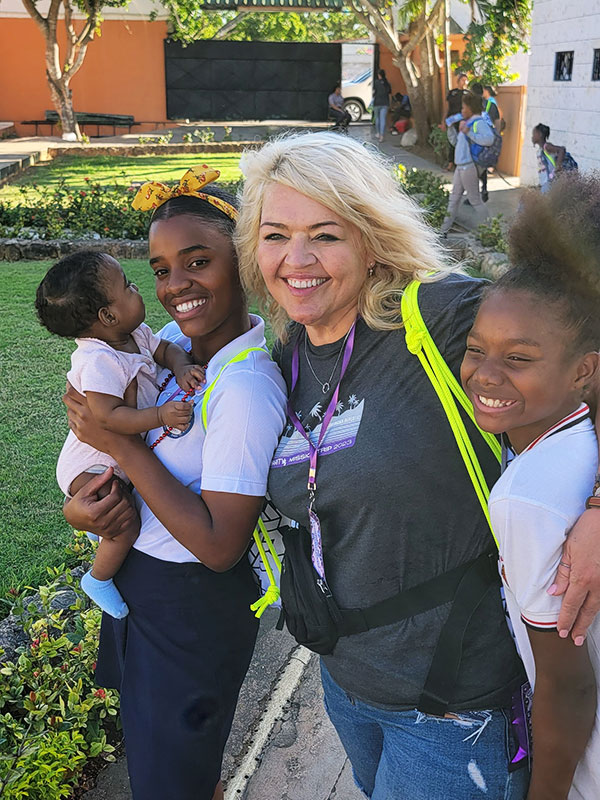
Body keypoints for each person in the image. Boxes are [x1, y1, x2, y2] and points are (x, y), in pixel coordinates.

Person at [234, 131, 600, 799]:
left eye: (326, 234)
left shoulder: (441, 318)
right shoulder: (284, 352)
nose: (297, 259)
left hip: (453, 708)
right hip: (346, 685)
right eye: (275, 234)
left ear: (372, 240)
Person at [61, 166, 288, 800]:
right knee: (172, 768)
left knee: (171, 782)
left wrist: (122, 446)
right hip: (143, 584)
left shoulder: (245, 387)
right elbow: (90, 421)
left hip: (190, 608)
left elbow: (219, 547)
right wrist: (85, 507)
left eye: (197, 261)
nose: (174, 286)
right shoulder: (168, 341)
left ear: (243, 261)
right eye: (160, 269)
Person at [461, 173, 600, 799]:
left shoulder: (528, 496)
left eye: (519, 358)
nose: (486, 374)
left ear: (583, 371)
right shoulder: (579, 441)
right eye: (475, 349)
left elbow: (567, 686)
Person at [35, 251, 202, 619]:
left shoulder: (136, 335)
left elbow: (166, 349)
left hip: (114, 456)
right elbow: (107, 418)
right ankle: (98, 578)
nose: (136, 288)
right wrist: (159, 415)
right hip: (91, 462)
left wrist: (182, 365)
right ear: (107, 317)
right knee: (124, 521)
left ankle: (100, 537)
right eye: (127, 286)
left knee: (119, 507)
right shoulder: (97, 361)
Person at [441, 91, 495, 235]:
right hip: (461, 167)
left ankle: (491, 230)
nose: (462, 111)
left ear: (471, 108)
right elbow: (457, 143)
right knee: (454, 199)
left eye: (464, 108)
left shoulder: (478, 123)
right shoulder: (468, 123)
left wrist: (468, 133)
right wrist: (451, 130)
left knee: (474, 200)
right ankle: (443, 230)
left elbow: (489, 139)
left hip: (468, 167)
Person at [532, 123, 578, 193]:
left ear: (540, 135)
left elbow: (562, 149)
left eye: (534, 134)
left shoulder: (546, 146)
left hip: (550, 184)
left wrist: (558, 167)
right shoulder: (540, 151)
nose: (532, 136)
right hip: (545, 184)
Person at [442, 72, 468, 169]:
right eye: (463, 80)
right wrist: (443, 121)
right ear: (458, 81)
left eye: (466, 80)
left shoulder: (468, 94)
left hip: (463, 122)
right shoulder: (452, 93)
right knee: (452, 142)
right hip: (452, 121)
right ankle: (450, 163)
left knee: (462, 143)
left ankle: (460, 163)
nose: (465, 82)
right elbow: (447, 108)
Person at [372, 68, 391, 143]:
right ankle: (382, 136)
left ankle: (378, 133)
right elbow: (389, 94)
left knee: (377, 119)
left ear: (379, 75)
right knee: (383, 119)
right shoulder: (387, 83)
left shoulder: (376, 82)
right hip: (385, 103)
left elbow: (373, 92)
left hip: (377, 103)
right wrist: (390, 103)